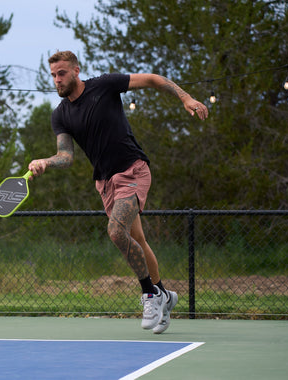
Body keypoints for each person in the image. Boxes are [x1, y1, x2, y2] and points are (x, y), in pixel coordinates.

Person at [28, 51, 208, 333]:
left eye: (61, 73)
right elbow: (66, 155)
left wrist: (185, 98)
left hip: (133, 170)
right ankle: (164, 294)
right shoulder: (60, 114)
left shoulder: (105, 85)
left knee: (115, 231)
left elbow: (151, 79)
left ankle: (150, 294)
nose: (57, 80)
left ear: (76, 70)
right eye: (52, 75)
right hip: (105, 182)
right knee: (137, 239)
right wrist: (45, 162)